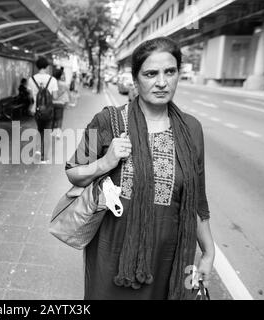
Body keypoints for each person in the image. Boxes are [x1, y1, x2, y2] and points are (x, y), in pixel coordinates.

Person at [65, 37, 215, 300]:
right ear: (135, 80)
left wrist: (208, 252)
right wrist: (105, 163)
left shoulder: (192, 129)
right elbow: (73, 173)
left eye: (170, 72)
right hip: (112, 256)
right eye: (150, 74)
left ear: (179, 74)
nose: (161, 82)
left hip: (168, 258)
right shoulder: (105, 121)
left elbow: (197, 201)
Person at [28, 56, 58, 163]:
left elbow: (32, 96)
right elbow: (54, 97)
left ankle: (38, 150)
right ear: (47, 66)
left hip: (37, 110)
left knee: (39, 129)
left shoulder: (31, 80)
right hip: (49, 110)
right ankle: (45, 158)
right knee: (47, 132)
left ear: (37, 66)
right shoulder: (52, 80)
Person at [51, 67, 70, 139]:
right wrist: (67, 103)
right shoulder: (64, 84)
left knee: (52, 117)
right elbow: (67, 94)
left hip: (52, 102)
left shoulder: (52, 83)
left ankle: (52, 131)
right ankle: (58, 133)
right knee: (59, 118)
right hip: (60, 103)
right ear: (60, 75)